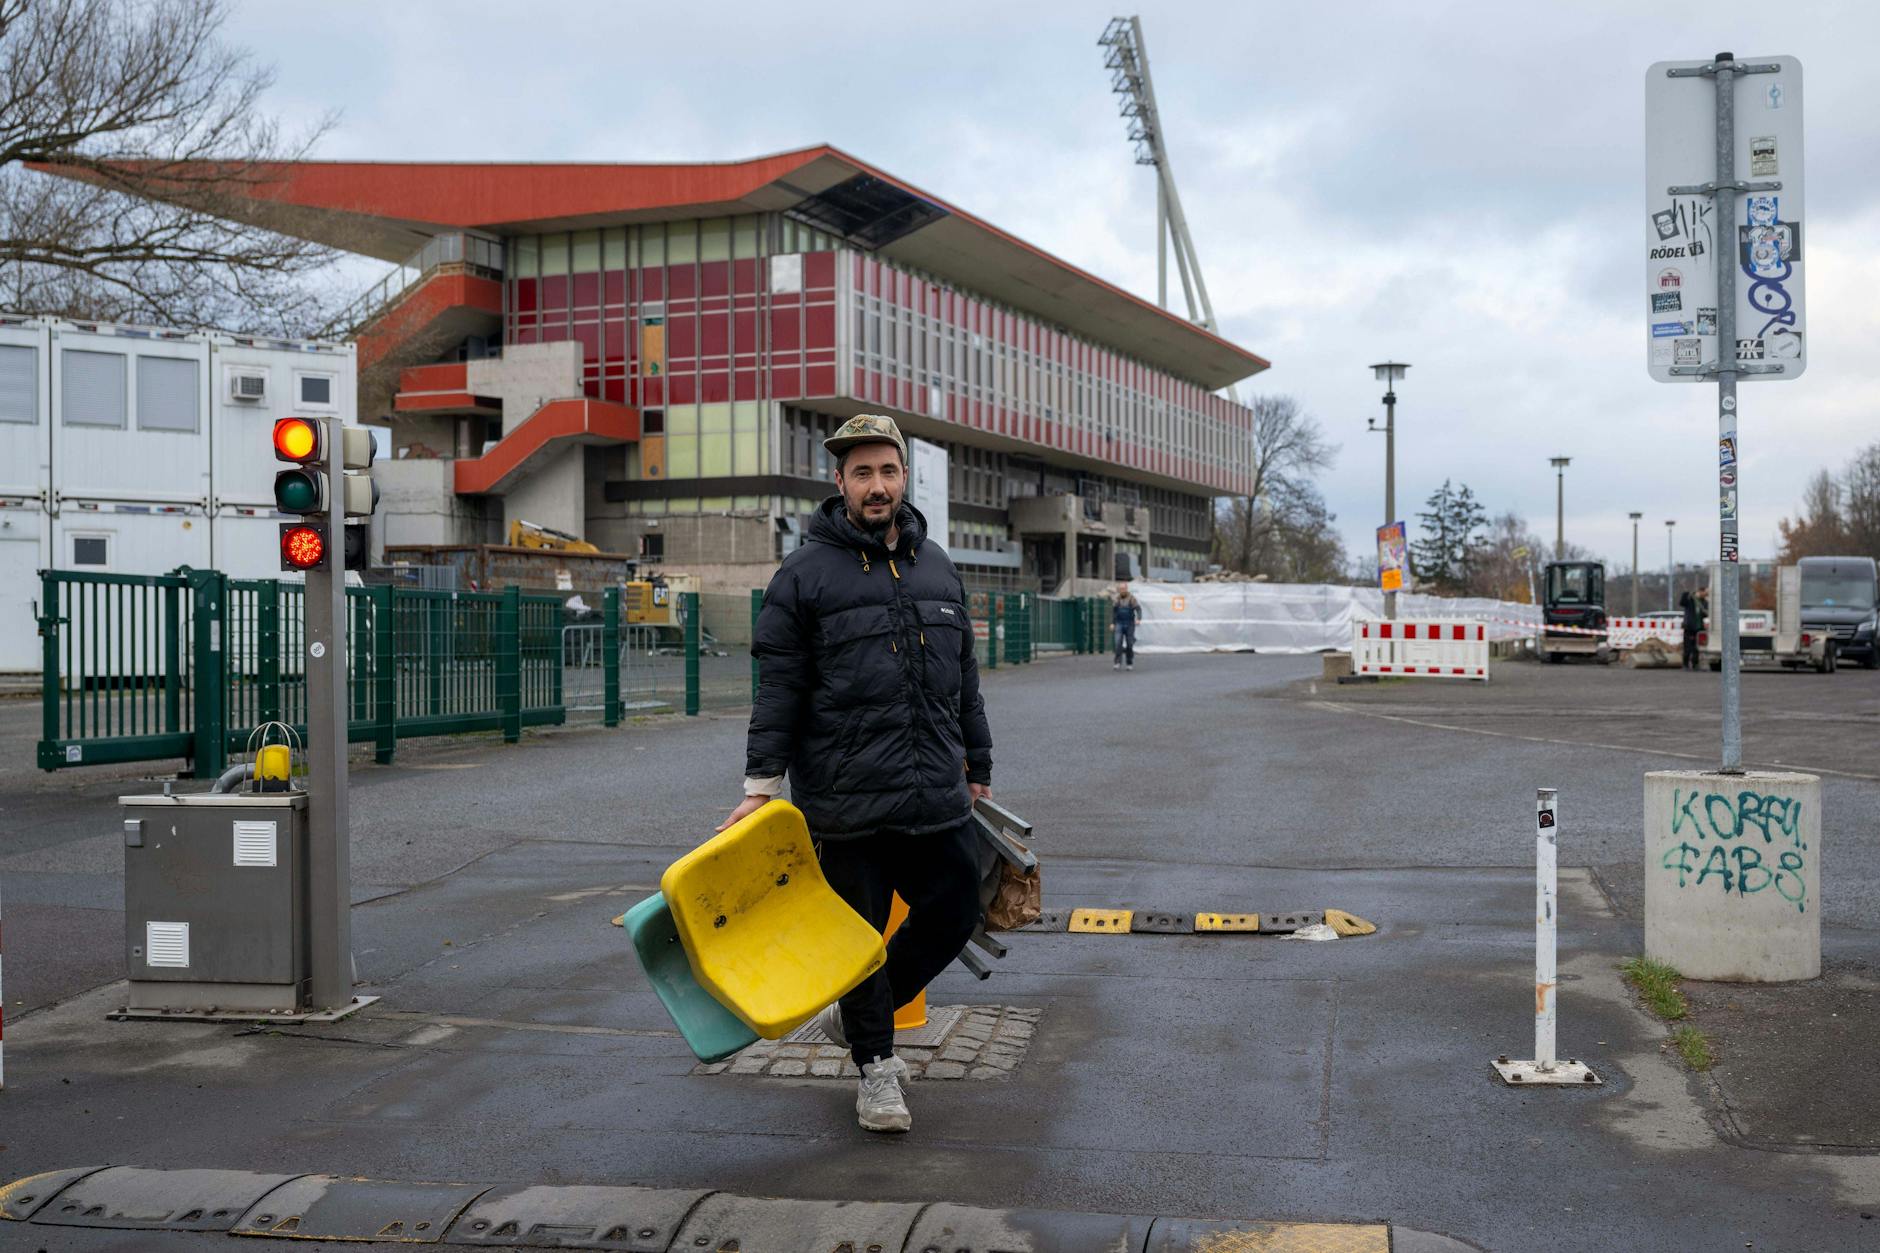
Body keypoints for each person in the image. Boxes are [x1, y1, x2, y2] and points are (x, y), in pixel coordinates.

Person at [720, 414, 992, 1135]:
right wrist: (761, 788)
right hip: (846, 800)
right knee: (858, 937)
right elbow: (778, 689)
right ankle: (876, 1069)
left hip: (934, 787)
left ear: (904, 478)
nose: (877, 486)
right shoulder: (804, 574)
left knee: (956, 908)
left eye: (888, 471)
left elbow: (963, 678)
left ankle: (859, 1012)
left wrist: (979, 764)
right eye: (862, 472)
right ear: (839, 481)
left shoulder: (937, 564)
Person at [1112, 580, 1142, 670]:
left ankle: (1129, 662)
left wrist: (1138, 618)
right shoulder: (1117, 599)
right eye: (1121, 589)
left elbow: (1138, 609)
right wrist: (1112, 623)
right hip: (1119, 623)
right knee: (1117, 643)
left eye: (1124, 589)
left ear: (1126, 589)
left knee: (1129, 644)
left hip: (1130, 623)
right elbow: (1114, 612)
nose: (1122, 590)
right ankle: (1117, 662)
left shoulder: (1132, 598)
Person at [1679, 590, 1703, 670]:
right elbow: (1682, 602)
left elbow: (1705, 612)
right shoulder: (1690, 602)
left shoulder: (1701, 603)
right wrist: (1686, 593)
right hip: (1689, 628)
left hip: (1698, 628)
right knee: (1687, 647)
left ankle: (1695, 664)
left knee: (1696, 648)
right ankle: (1685, 664)